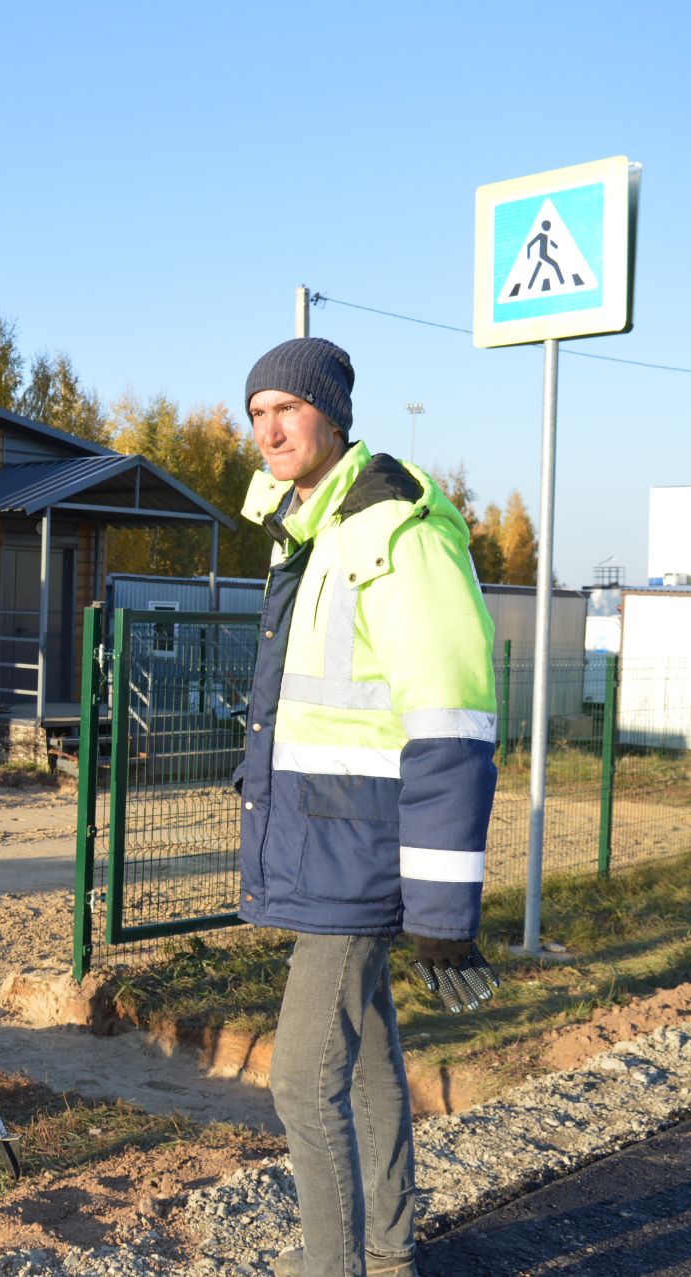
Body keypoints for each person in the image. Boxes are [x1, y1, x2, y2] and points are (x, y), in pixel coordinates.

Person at [233, 338, 502, 1277]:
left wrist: (441, 911)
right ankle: (388, 1255)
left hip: (359, 852)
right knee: (375, 1064)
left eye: (287, 408)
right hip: (327, 843)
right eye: (257, 411)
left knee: (301, 1087)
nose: (269, 428)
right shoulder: (314, 531)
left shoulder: (392, 529)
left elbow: (451, 720)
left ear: (331, 417)